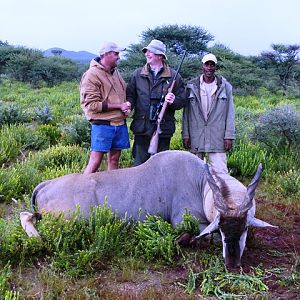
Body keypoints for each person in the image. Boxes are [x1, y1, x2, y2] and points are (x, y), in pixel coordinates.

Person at [126, 39, 186, 166]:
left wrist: (174, 101)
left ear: (160, 56)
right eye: (146, 51)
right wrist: (128, 105)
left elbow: (182, 100)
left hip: (163, 129)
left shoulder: (175, 76)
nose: (147, 54)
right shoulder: (137, 75)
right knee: (139, 166)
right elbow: (130, 95)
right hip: (141, 128)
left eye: (150, 52)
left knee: (161, 167)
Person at [80, 42, 131, 174]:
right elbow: (92, 105)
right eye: (116, 54)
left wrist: (126, 105)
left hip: (119, 123)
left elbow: (123, 93)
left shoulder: (115, 72)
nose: (118, 57)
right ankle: (82, 190)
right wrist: (119, 106)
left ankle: (111, 190)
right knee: (95, 161)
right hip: (103, 124)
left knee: (114, 159)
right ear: (105, 54)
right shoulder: (91, 75)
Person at [182, 53, 235, 174]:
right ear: (202, 66)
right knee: (193, 173)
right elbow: (186, 114)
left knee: (221, 172)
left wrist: (229, 136)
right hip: (196, 135)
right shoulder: (191, 86)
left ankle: (221, 193)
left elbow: (230, 113)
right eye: (207, 64)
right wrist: (186, 134)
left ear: (215, 67)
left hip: (217, 135)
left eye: (212, 65)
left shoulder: (225, 87)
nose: (209, 68)